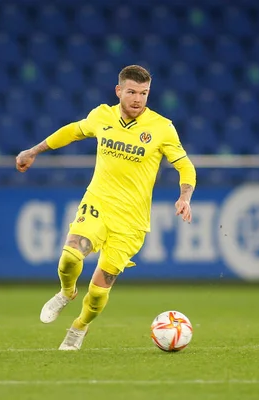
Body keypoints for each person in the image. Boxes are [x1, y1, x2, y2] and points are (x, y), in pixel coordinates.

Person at [16, 65, 196, 351]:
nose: (138, 99)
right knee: (69, 258)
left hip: (132, 222)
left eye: (144, 93)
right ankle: (66, 292)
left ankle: (80, 327)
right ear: (119, 91)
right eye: (132, 92)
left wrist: (184, 196)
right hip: (98, 202)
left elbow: (185, 165)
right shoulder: (102, 115)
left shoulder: (162, 127)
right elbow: (73, 131)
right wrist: (33, 151)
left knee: (100, 289)